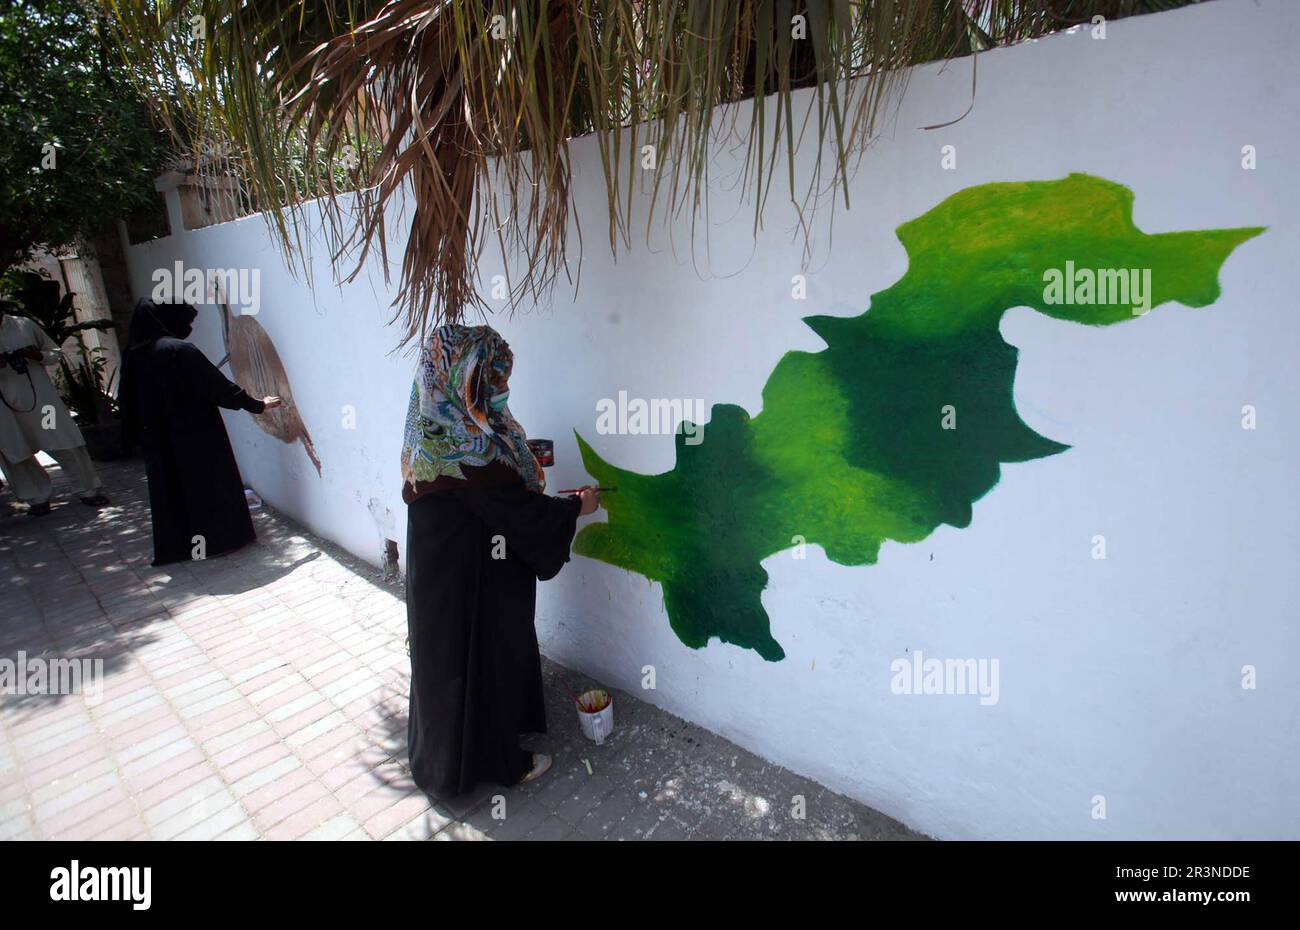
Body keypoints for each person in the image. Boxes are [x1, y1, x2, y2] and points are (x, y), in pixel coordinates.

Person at [401, 323, 600, 798]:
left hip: (445, 578)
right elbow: (516, 512)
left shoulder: (431, 432)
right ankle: (494, 762)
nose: (503, 388)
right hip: (473, 585)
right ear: (463, 379)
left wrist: (520, 470)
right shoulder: (471, 457)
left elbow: (495, 492)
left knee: (447, 662)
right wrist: (577, 507)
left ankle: (441, 753)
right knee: (480, 658)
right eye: (492, 377)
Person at [118, 299, 281, 566]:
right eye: (187, 322)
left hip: (158, 438)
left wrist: (132, 437)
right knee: (207, 485)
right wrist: (257, 405)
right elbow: (216, 387)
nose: (189, 327)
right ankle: (220, 541)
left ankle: (185, 547)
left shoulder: (135, 355)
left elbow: (126, 400)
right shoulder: (178, 350)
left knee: (173, 490)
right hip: (196, 433)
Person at [0, 302, 110, 515]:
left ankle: (88, 491)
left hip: (41, 402)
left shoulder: (24, 325)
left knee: (63, 441)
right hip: (5, 410)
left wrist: (36, 355)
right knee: (15, 453)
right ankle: (37, 498)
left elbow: (54, 353)